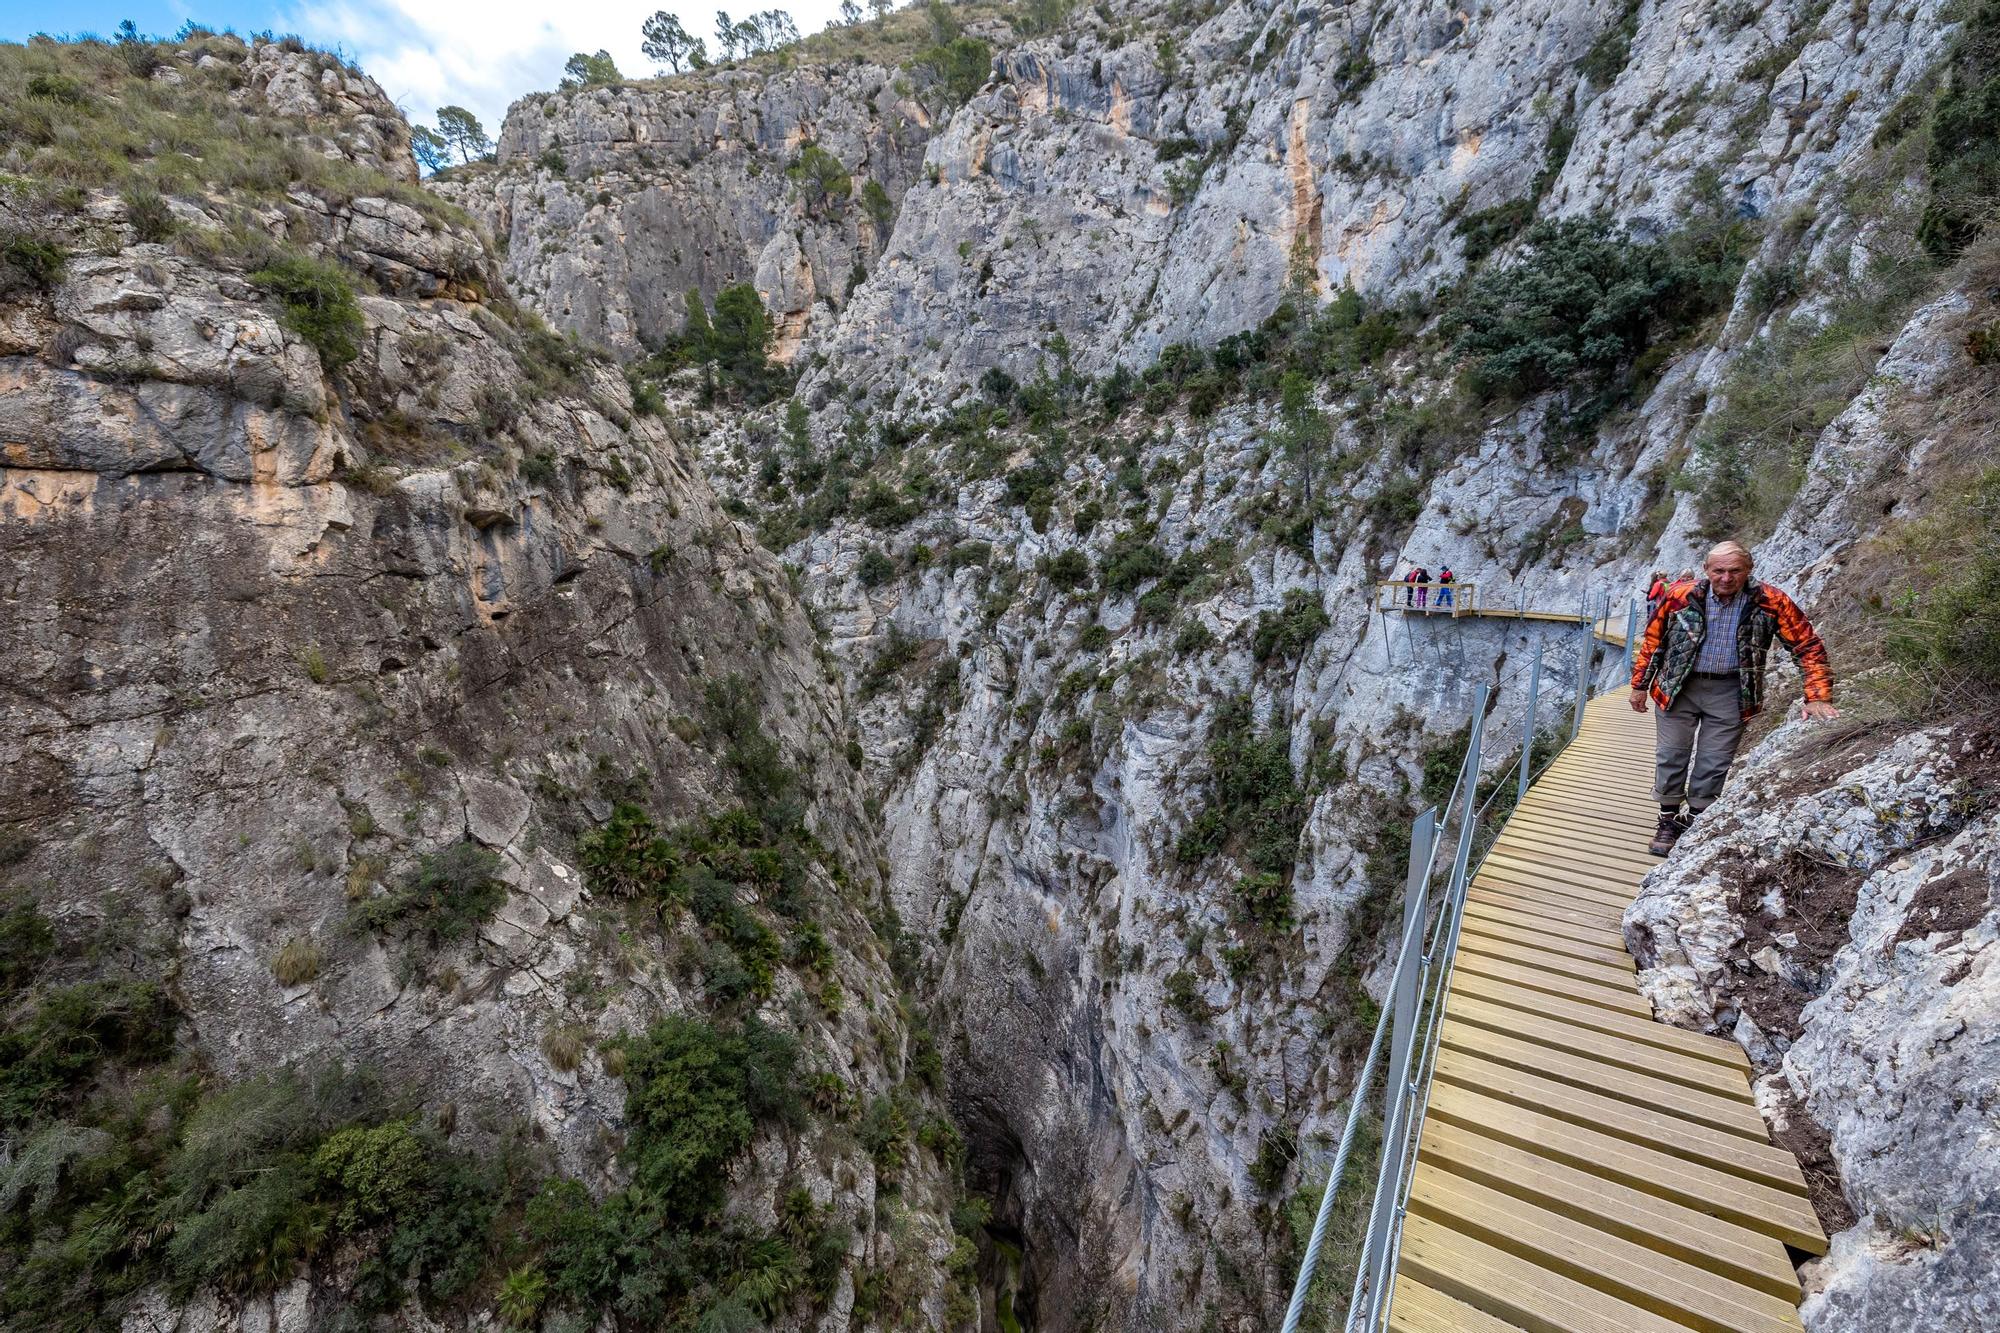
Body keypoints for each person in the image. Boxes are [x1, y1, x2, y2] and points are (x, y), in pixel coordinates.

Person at [1629, 541, 1838, 855]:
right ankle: (1668, 819)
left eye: (1734, 570)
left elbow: (1807, 646)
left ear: (1748, 570)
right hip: (1678, 687)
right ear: (1707, 570)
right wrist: (1639, 684)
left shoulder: (1771, 601)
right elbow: (1654, 640)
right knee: (1671, 754)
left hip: (1732, 691)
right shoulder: (1680, 596)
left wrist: (1817, 695)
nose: (1726, 577)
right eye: (1719, 570)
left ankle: (1697, 817)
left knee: (1714, 761)